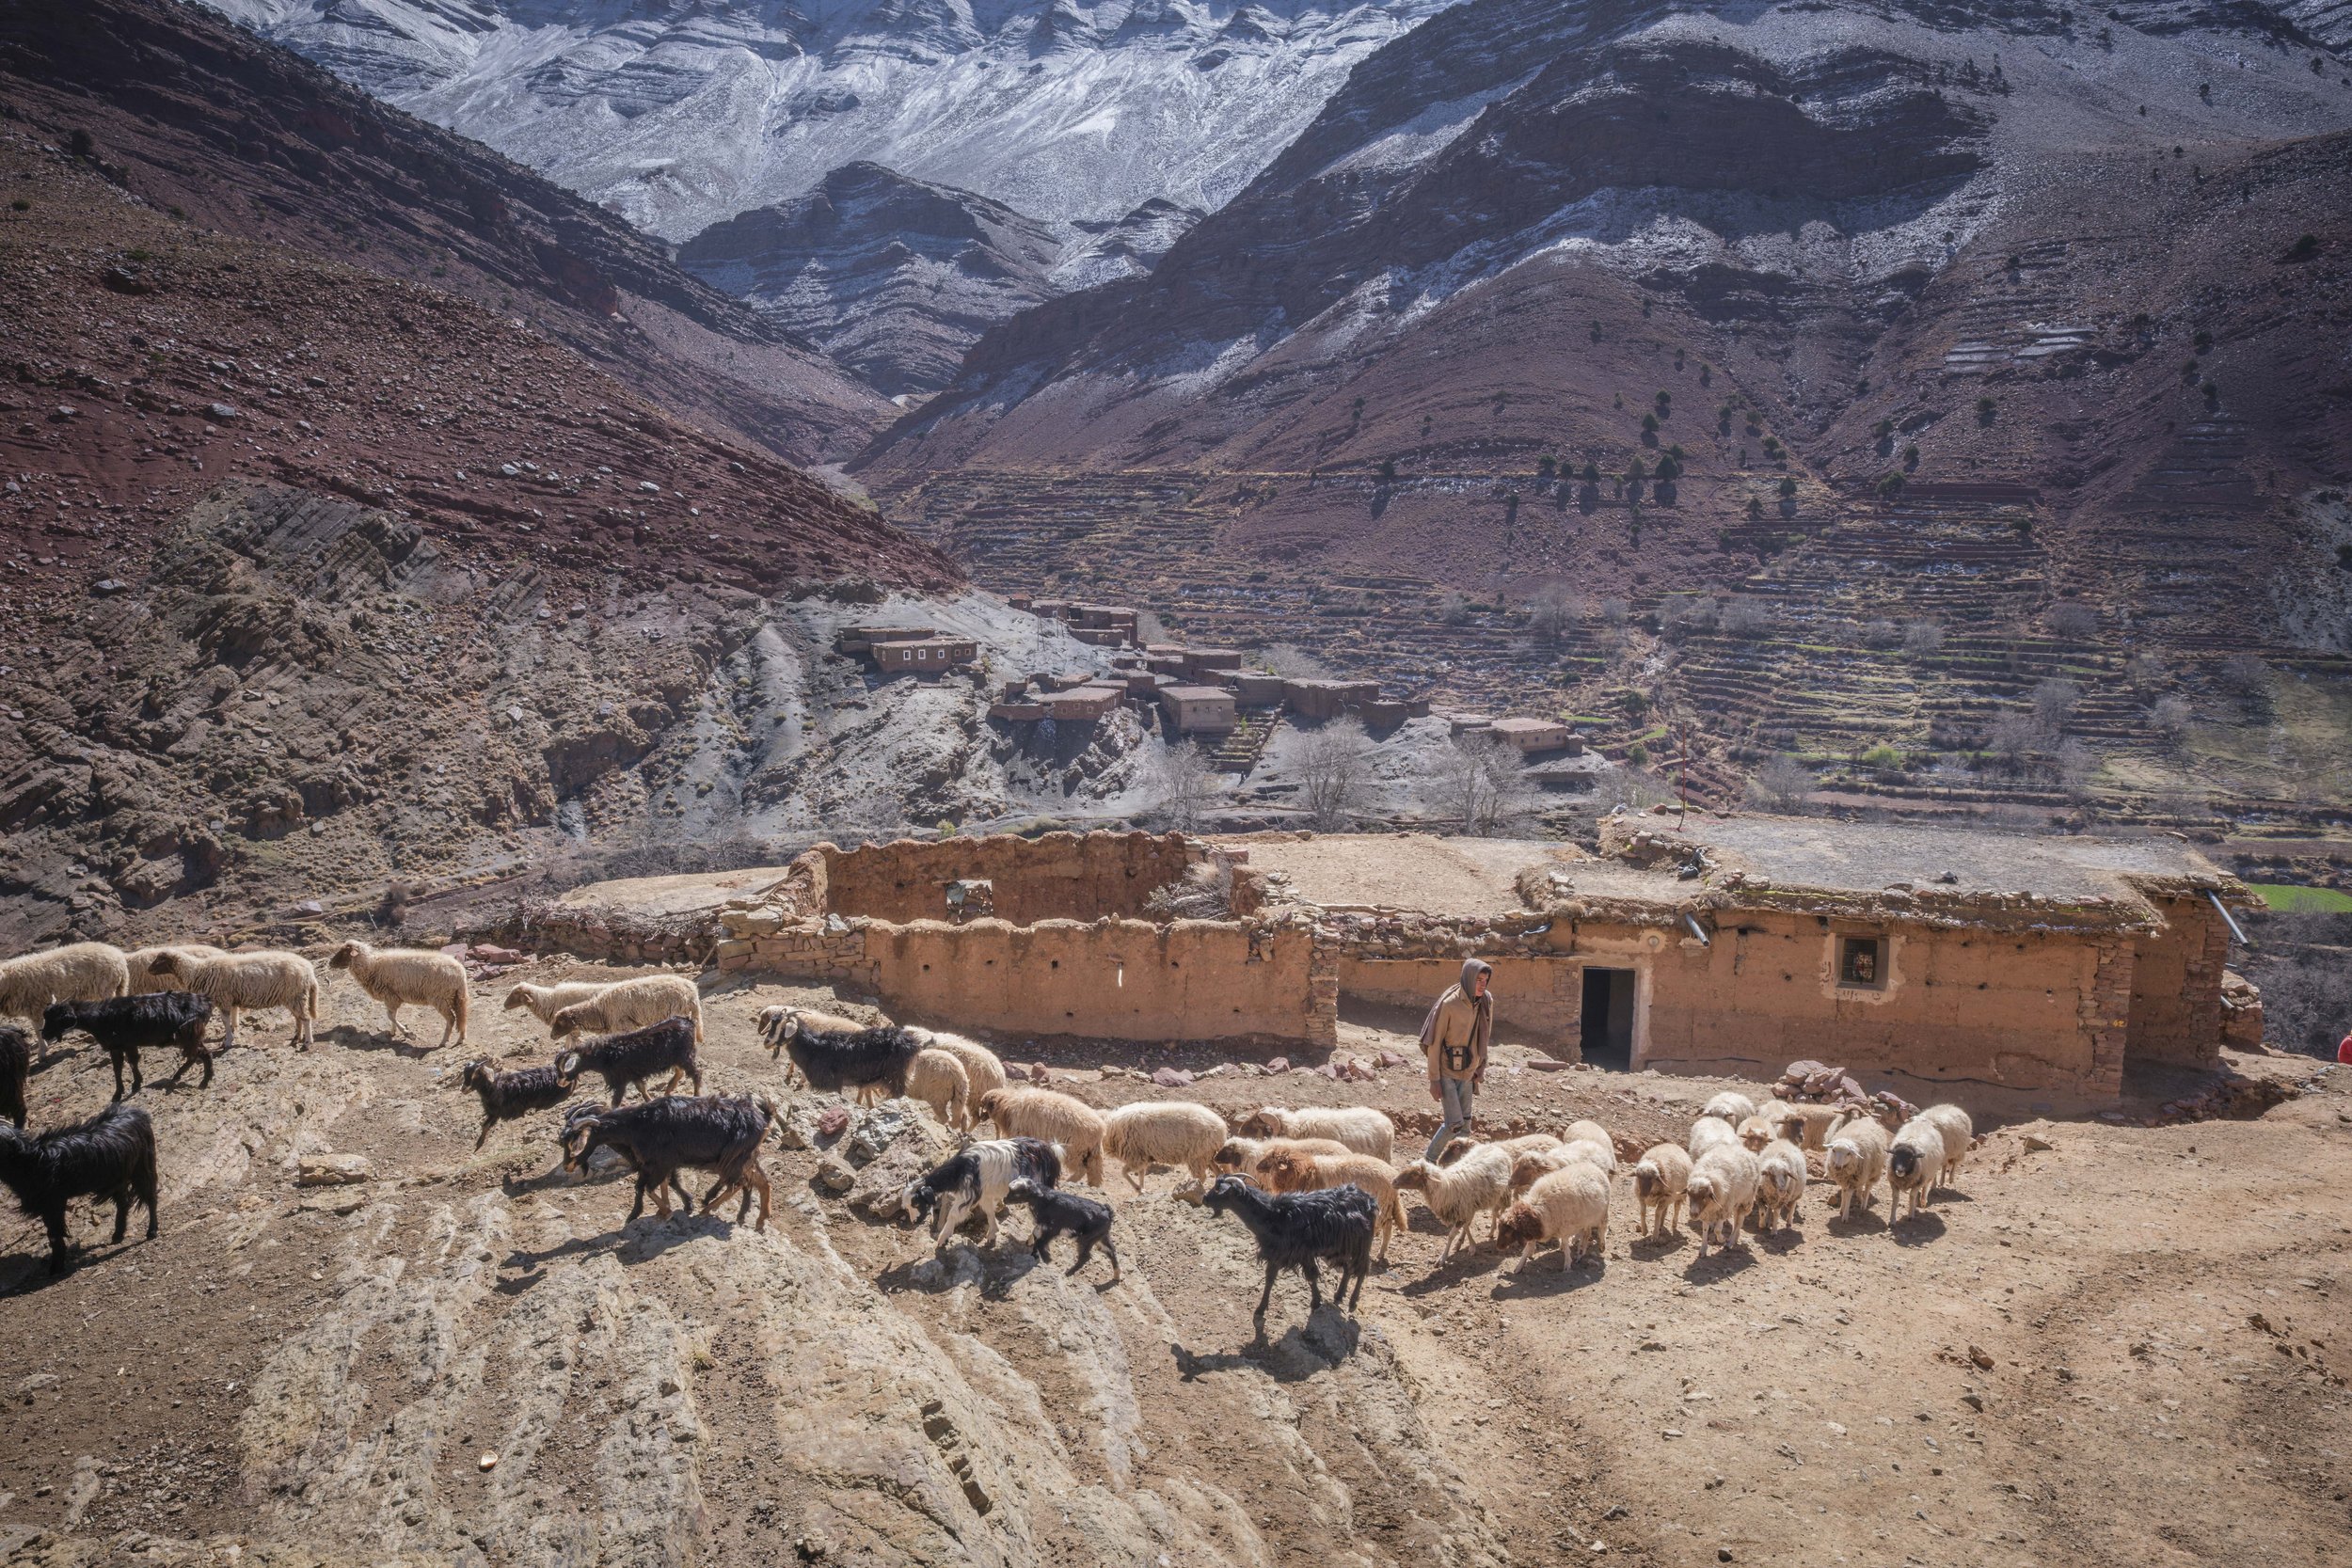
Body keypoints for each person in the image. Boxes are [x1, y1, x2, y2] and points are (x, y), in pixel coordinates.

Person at [1421, 958, 1494, 1162]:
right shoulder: (1450, 1004)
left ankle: (1456, 1167)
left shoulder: (1486, 1002)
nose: (1482, 984)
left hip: (1469, 1070)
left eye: (1485, 980)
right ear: (1469, 978)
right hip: (1446, 1070)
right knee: (1454, 1123)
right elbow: (1434, 1044)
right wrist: (1434, 1079)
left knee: (1466, 1126)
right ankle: (1428, 1161)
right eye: (1478, 979)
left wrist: (1482, 1066)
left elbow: (1485, 1036)